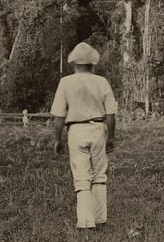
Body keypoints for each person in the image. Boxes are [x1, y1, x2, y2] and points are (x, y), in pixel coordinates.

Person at [51, 42, 118, 230]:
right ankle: (100, 219)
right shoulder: (101, 82)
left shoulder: (66, 83)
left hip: (76, 131)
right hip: (98, 129)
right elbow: (111, 114)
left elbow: (59, 116)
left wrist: (57, 139)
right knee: (99, 176)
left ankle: (86, 222)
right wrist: (111, 137)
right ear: (92, 64)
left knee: (81, 177)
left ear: (74, 63)